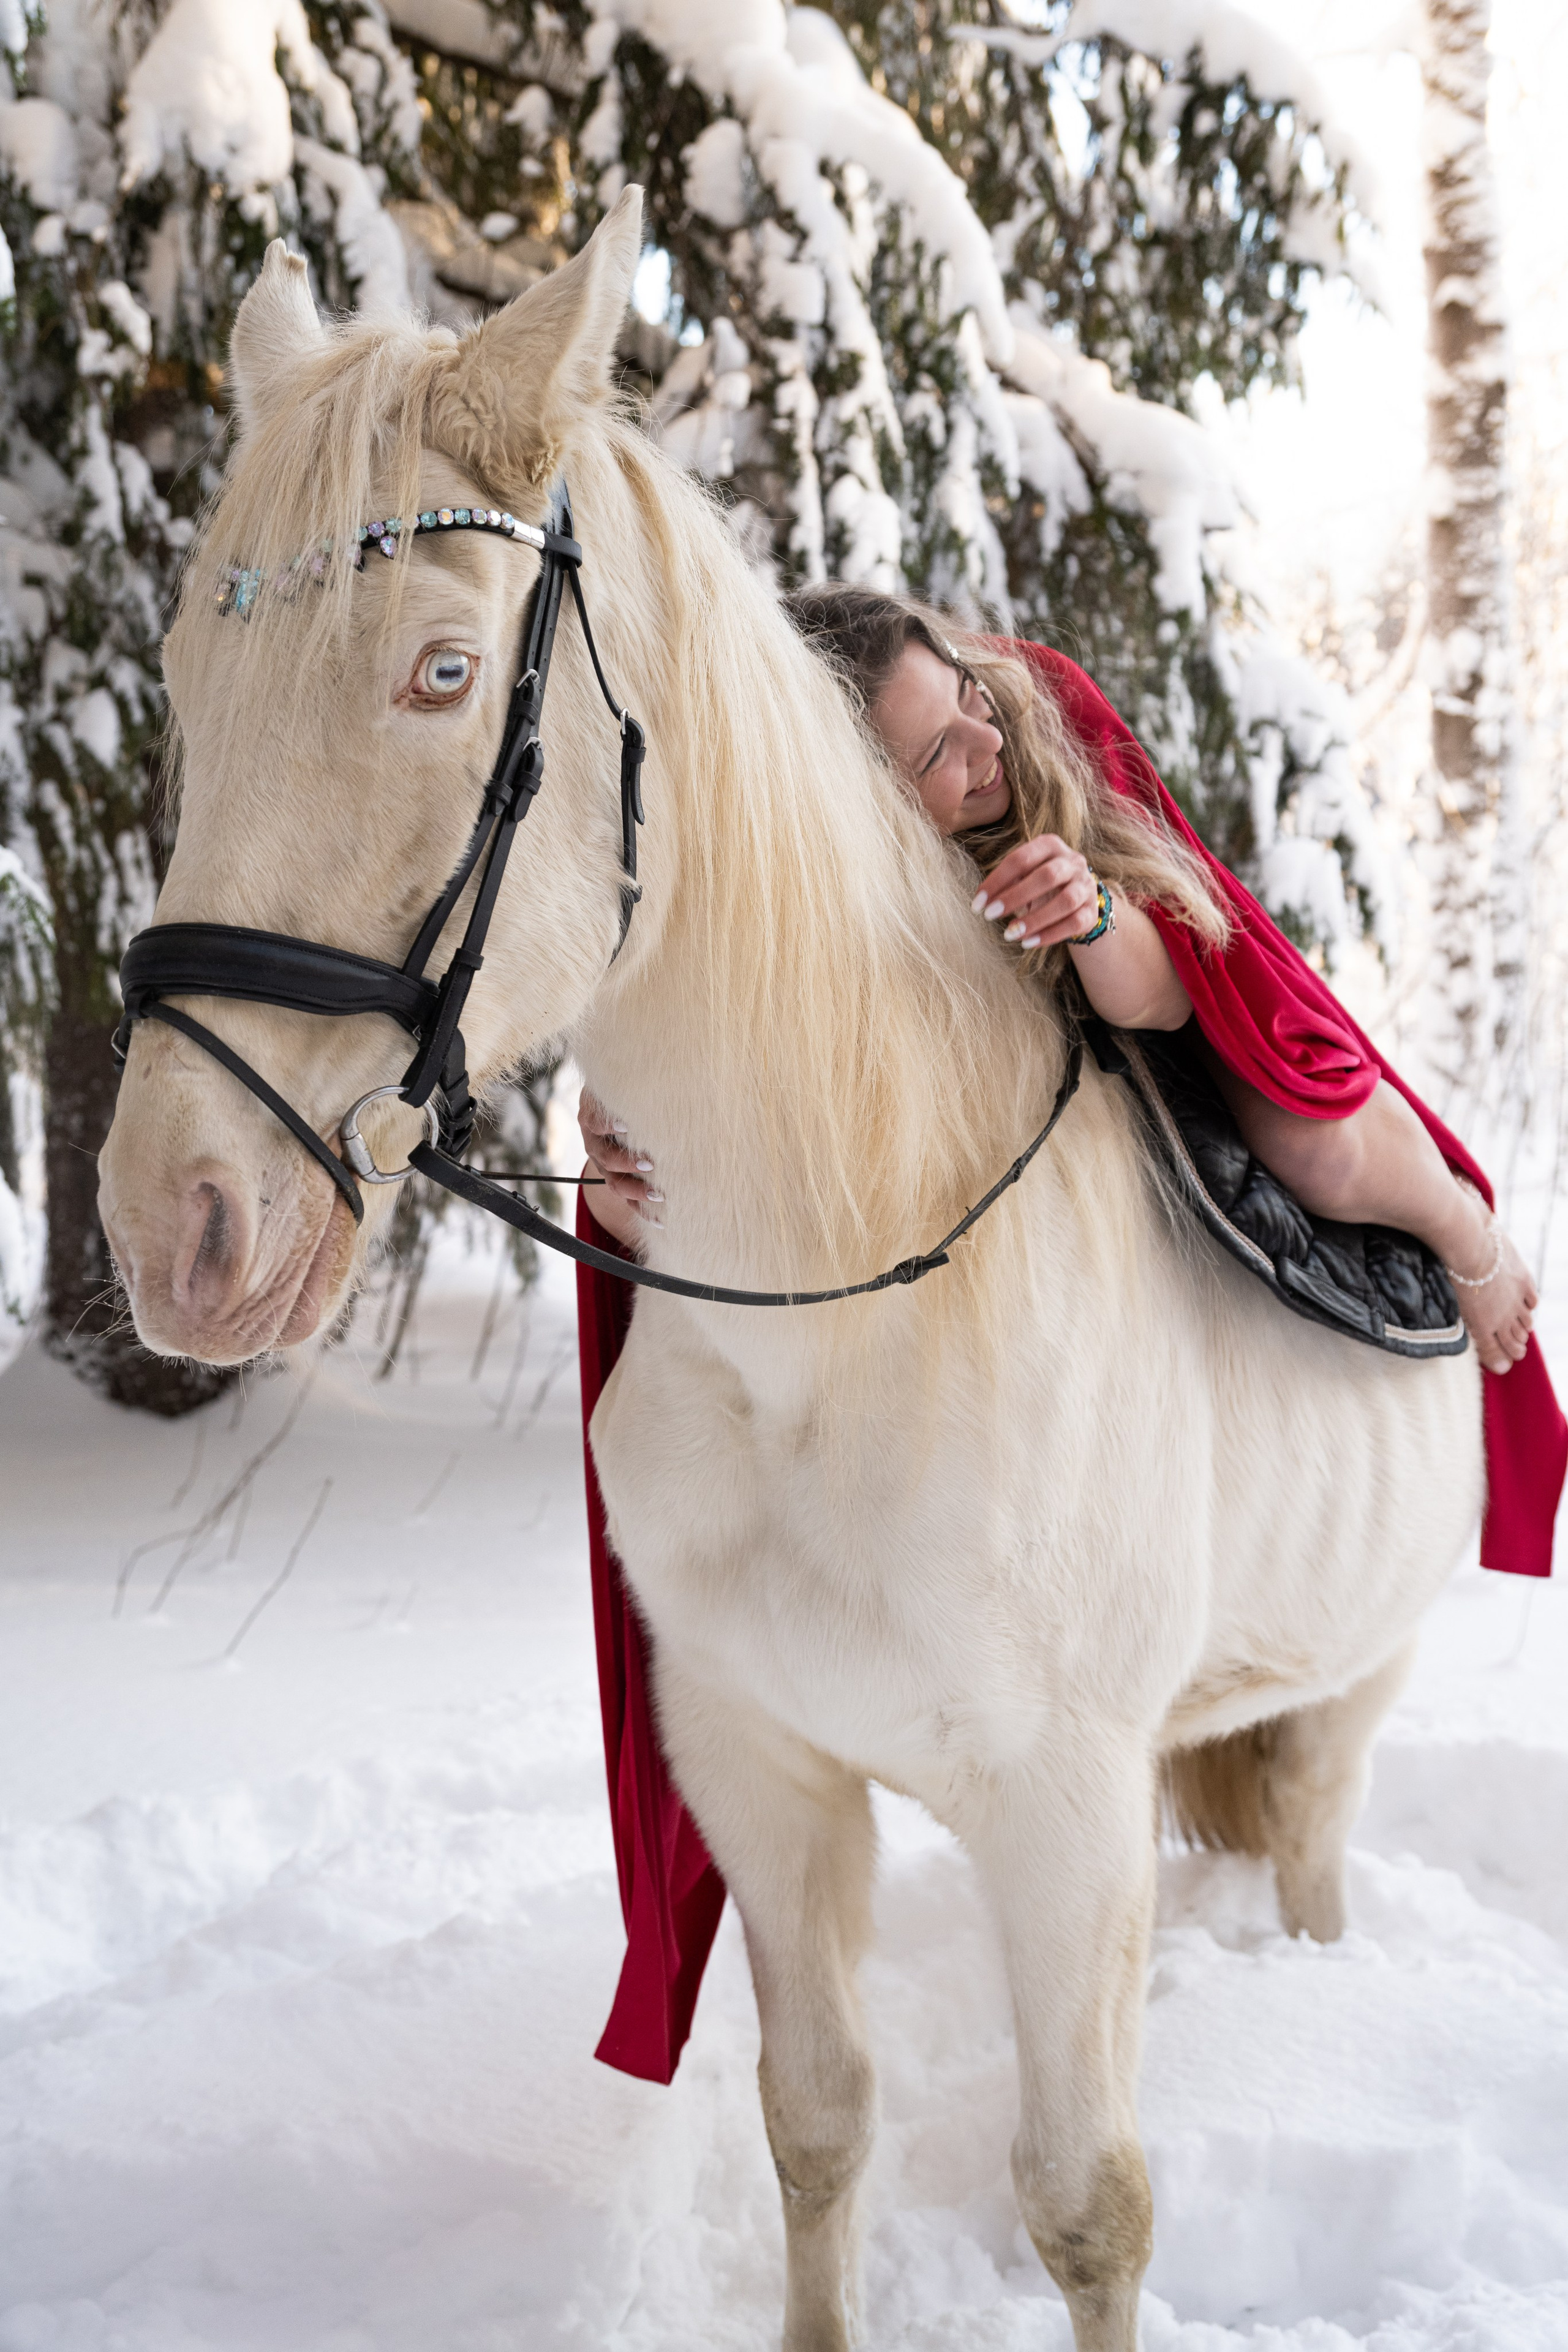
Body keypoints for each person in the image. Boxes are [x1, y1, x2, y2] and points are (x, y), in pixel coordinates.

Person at [573, 590, 1566, 2087]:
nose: (974, 750)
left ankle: (1463, 1235)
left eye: (963, 708)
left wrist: (1089, 914)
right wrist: (625, 1142)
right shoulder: (794, 877)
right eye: (935, 757)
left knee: (1313, 1139)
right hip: (953, 1041)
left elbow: (1166, 979)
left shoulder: (1024, 740)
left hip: (1127, 966)